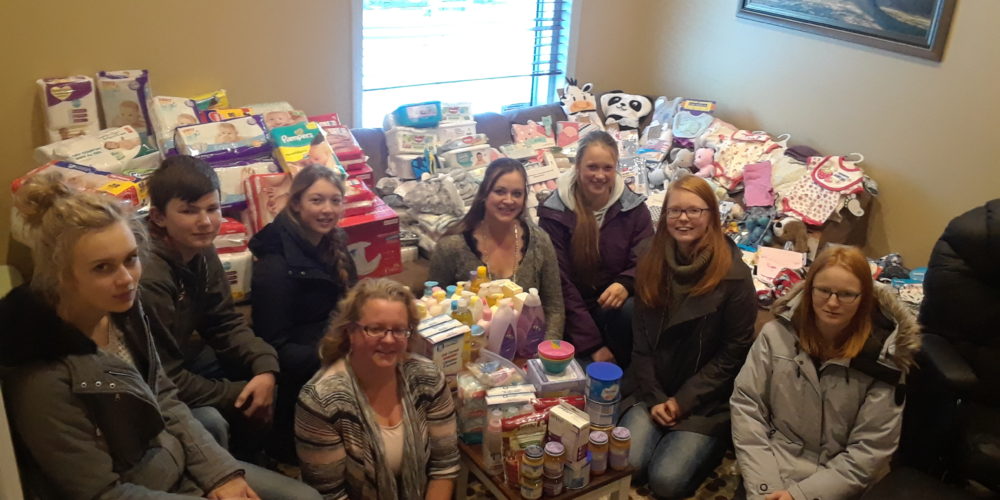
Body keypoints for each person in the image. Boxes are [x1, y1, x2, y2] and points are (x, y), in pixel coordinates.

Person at [0, 174, 321, 499]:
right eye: (102, 268)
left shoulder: (121, 310)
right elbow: (101, 494)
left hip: (172, 462)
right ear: (61, 275)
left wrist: (220, 474)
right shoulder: (43, 377)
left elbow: (164, 394)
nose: (127, 279)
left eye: (131, 259)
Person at [731, 246, 920, 500]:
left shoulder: (885, 361)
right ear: (809, 289)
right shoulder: (775, 335)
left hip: (838, 484)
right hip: (771, 466)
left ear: (864, 298)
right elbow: (747, 406)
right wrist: (764, 487)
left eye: (846, 294)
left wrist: (799, 496)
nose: (832, 303)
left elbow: (869, 451)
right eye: (823, 290)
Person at [619, 174, 756, 498]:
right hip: (652, 386)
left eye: (694, 210)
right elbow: (641, 341)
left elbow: (733, 353)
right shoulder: (650, 259)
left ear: (711, 216)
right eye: (675, 210)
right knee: (628, 464)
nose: (684, 218)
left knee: (667, 481)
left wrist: (683, 401)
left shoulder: (735, 276)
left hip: (704, 399)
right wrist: (655, 397)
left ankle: (707, 441)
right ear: (664, 215)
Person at [141, 156, 280, 453]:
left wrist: (265, 365)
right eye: (189, 211)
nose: (205, 222)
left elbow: (223, 322)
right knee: (217, 417)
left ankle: (255, 462)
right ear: (159, 217)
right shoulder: (148, 275)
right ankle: (232, 470)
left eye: (212, 209)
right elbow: (163, 375)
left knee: (263, 371)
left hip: (178, 358)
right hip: (146, 381)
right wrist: (235, 393)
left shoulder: (200, 249)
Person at [296, 278, 460, 500]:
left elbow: (444, 466)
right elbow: (330, 495)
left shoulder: (427, 377)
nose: (389, 340)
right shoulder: (320, 401)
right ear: (350, 331)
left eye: (399, 330)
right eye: (375, 329)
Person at [249, 164, 358, 462]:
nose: (328, 210)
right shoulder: (275, 265)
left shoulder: (334, 242)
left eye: (335, 200)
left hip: (333, 348)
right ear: (296, 203)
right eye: (316, 200)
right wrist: (337, 355)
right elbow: (273, 347)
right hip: (301, 379)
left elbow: (353, 301)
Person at [537, 130, 653, 368]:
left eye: (607, 168)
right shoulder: (554, 214)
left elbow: (646, 257)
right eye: (592, 167)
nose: (600, 175)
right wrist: (593, 345)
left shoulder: (634, 209)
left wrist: (626, 282)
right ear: (577, 166)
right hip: (573, 313)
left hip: (616, 308)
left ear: (616, 168)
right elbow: (560, 284)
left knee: (636, 309)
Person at [429, 158, 564, 340]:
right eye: (500, 191)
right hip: (468, 351)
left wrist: (545, 351)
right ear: (484, 193)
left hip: (529, 349)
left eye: (517, 194)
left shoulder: (540, 241)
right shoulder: (451, 246)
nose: (508, 200)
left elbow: (554, 307)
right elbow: (433, 312)